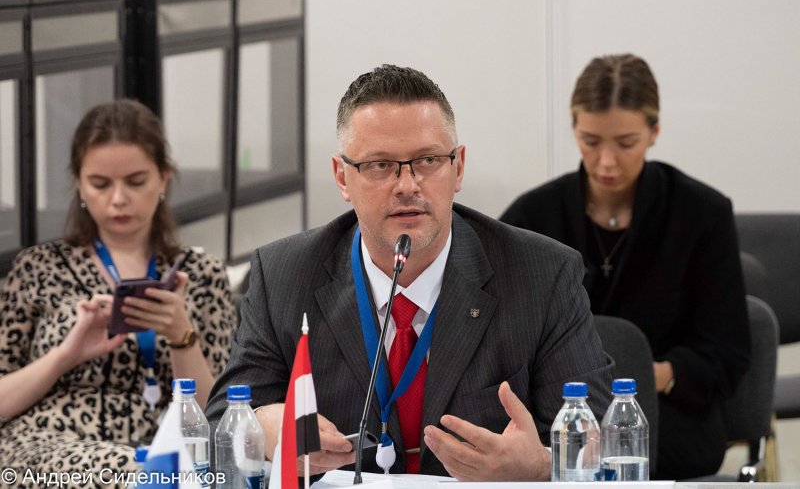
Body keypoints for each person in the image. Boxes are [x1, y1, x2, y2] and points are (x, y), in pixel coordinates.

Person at [205, 64, 612, 481]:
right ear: (342, 177)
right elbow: (220, 424)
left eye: (428, 160)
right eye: (380, 165)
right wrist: (263, 428)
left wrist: (539, 468)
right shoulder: (284, 276)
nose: (407, 185)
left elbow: (601, 450)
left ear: (458, 167)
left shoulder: (542, 275)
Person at [500, 54, 751, 480]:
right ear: (574, 127)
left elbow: (727, 351)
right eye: (590, 141)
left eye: (626, 143)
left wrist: (652, 377)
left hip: (666, 423)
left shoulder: (701, 214)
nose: (606, 162)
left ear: (654, 131)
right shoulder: (532, 215)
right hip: (556, 421)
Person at [0, 99, 236, 482]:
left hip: (159, 448)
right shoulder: (38, 267)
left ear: (163, 178)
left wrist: (181, 336)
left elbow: (220, 415)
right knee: (150, 474)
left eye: (136, 182)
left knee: (176, 471)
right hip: (47, 444)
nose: (119, 199)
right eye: (100, 184)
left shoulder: (201, 273)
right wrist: (66, 355)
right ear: (79, 184)